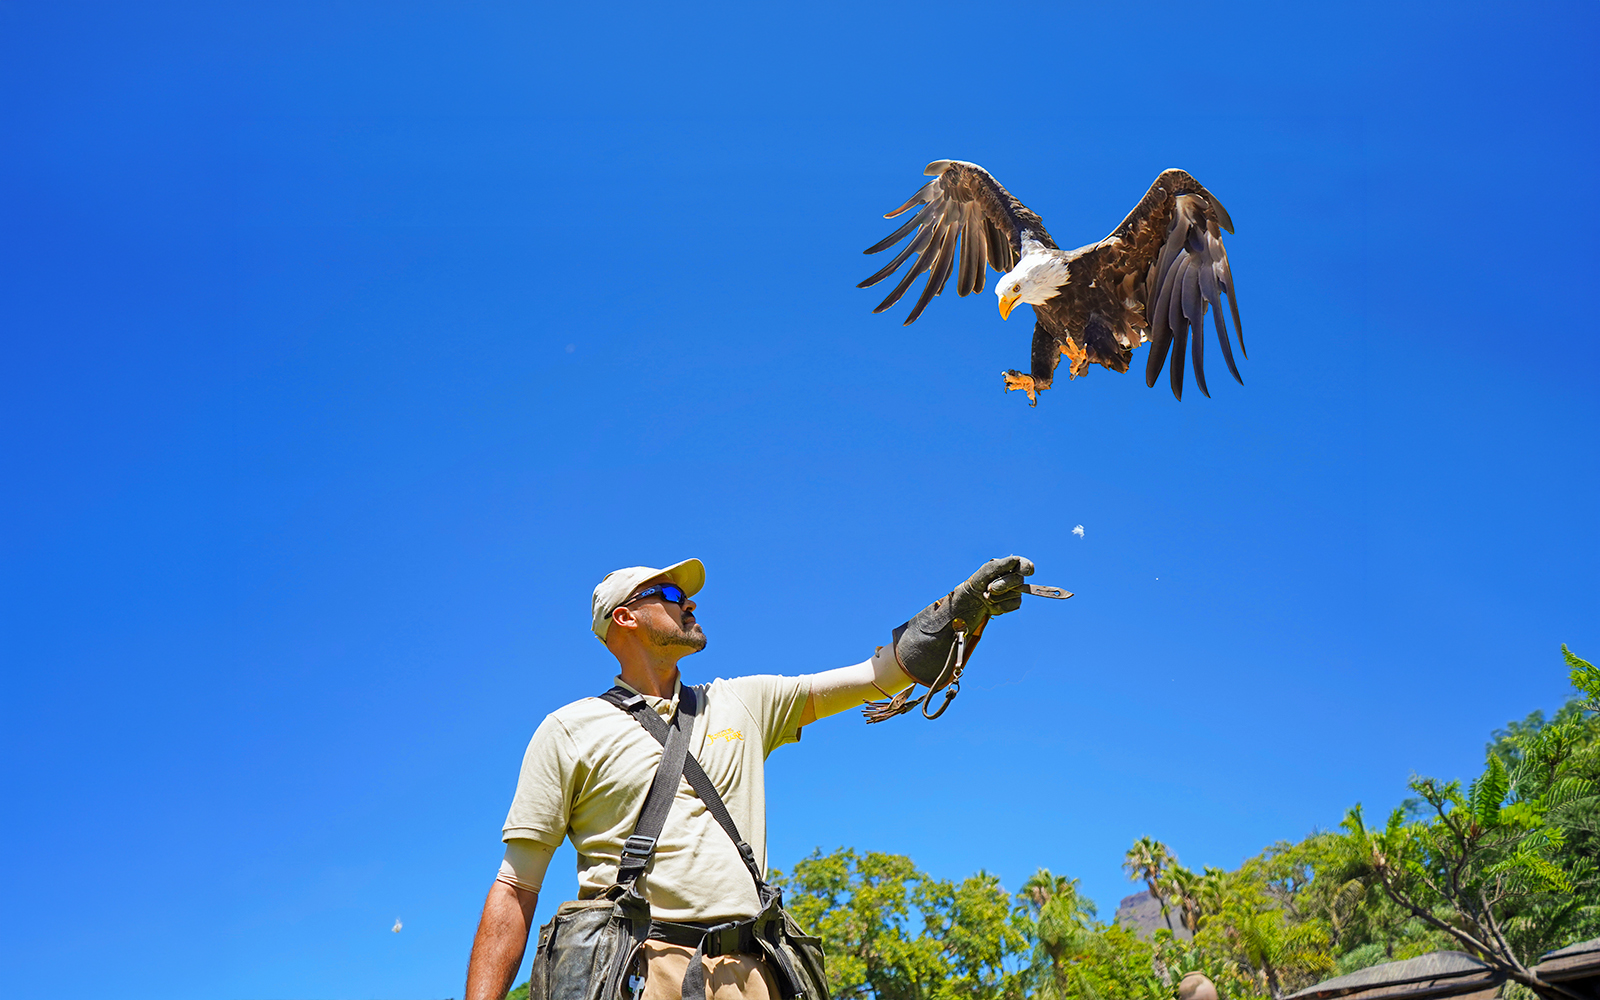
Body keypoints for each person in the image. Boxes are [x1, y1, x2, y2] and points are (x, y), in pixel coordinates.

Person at [464, 555, 1035, 1000]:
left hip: (753, 972)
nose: (689, 603)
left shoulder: (744, 701)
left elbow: (877, 676)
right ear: (625, 617)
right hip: (638, 972)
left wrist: (957, 613)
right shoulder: (568, 729)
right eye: (669, 594)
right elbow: (517, 886)